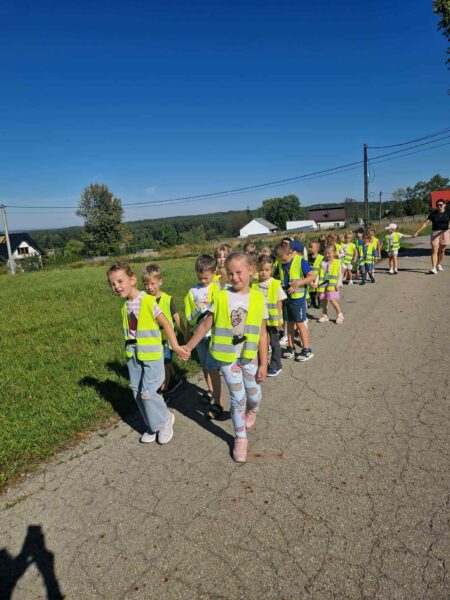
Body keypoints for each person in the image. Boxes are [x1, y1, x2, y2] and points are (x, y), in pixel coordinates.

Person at [182, 252, 268, 463]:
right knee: (237, 399)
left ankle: (253, 409)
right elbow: (205, 324)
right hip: (227, 357)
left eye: (239, 272)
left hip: (249, 357)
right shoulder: (220, 297)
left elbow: (263, 334)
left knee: (253, 395)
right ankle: (240, 438)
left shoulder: (258, 298)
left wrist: (264, 363)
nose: (234, 277)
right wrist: (188, 346)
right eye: (230, 273)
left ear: (251, 271)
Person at [107, 262, 189, 444]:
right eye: (112, 284)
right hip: (133, 356)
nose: (116, 287)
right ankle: (153, 425)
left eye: (120, 281)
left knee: (148, 392)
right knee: (137, 392)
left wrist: (175, 346)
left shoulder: (148, 301)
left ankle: (165, 420)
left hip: (152, 355)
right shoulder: (125, 307)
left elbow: (166, 323)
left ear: (132, 280)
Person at [184, 255, 223, 419]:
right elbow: (189, 315)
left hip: (214, 334)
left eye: (206, 277)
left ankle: (218, 402)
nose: (203, 281)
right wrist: (188, 331)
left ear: (214, 273)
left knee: (213, 367)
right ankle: (210, 390)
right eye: (200, 278)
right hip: (199, 335)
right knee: (205, 364)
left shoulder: (219, 285)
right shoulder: (192, 291)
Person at [142, 264, 185, 397]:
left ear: (160, 281)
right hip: (153, 338)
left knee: (164, 363)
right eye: (146, 284)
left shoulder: (167, 299)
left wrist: (186, 333)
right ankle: (174, 377)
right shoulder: (144, 299)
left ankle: (164, 388)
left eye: (152, 284)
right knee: (163, 362)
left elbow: (177, 318)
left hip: (167, 338)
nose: (149, 287)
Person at [274, 240, 315, 361]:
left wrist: (298, 283)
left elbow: (312, 276)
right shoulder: (280, 262)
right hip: (286, 298)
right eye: (280, 259)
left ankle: (306, 349)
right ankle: (290, 347)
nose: (282, 261)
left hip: (298, 299)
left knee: (300, 323)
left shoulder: (300, 261)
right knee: (289, 323)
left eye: (283, 259)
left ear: (290, 252)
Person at [255, 255, 287, 377]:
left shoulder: (274, 284)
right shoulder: (254, 284)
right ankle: (262, 364)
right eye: (261, 270)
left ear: (271, 269)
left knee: (274, 343)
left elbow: (279, 302)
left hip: (273, 319)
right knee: (260, 343)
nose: (263, 272)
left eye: (267, 270)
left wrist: (278, 319)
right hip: (259, 319)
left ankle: (276, 365)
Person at [414, 199, 450, 273]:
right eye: (437, 205)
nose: (439, 206)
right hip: (435, 233)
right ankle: (434, 268)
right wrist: (417, 232)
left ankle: (439, 264)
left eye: (441, 205)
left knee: (442, 250)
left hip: (445, 232)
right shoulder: (433, 214)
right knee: (434, 250)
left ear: (444, 205)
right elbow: (425, 224)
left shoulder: (448, 212)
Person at [315, 245, 344, 324]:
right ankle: (325, 315)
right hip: (323, 285)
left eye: (329, 253)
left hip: (332, 285)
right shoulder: (322, 262)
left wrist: (338, 283)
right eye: (325, 253)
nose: (327, 255)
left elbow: (340, 274)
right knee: (324, 301)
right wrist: (316, 283)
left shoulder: (337, 262)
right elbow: (318, 274)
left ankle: (340, 315)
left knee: (332, 300)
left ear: (334, 253)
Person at [307, 240, 323, 308]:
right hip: (310, 277)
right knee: (311, 291)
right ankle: (313, 302)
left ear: (317, 249)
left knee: (319, 290)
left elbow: (321, 269)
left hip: (318, 277)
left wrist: (316, 281)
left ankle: (320, 302)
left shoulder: (321, 258)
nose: (309, 248)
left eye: (311, 247)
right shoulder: (308, 257)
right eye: (309, 247)